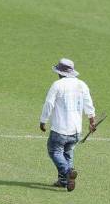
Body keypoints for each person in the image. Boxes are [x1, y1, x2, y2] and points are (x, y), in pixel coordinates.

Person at [39, 58, 97, 192]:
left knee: (54, 151)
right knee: (68, 154)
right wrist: (92, 121)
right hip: (76, 130)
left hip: (60, 129)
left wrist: (43, 121)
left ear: (60, 72)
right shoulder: (82, 84)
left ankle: (67, 172)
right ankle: (64, 181)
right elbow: (89, 105)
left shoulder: (57, 85)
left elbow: (49, 104)